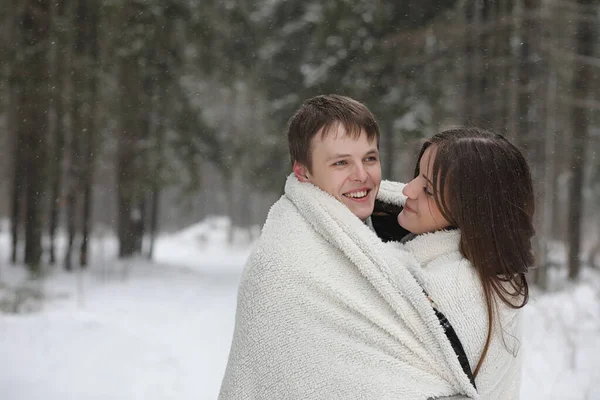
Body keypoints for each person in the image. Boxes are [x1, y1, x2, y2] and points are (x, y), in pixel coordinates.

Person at [219, 95, 479, 400]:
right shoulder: (282, 267)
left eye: (370, 158)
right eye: (341, 162)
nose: (362, 175)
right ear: (302, 171)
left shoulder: (386, 231)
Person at [382, 127, 534, 399]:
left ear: (470, 209)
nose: (408, 189)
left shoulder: (451, 293)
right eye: (417, 176)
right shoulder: (497, 275)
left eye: (428, 189)